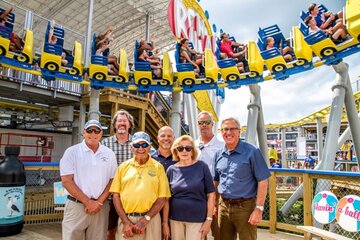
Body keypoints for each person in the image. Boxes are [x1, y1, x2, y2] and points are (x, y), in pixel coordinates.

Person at [214, 117, 270, 240]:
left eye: (232, 129)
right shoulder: (218, 154)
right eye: (225, 129)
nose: (228, 133)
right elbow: (216, 181)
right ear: (221, 132)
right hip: (223, 207)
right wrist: (214, 204)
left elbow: (263, 181)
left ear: (239, 131)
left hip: (245, 208)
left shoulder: (252, 151)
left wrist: (259, 209)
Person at [60, 119, 117, 240]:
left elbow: (113, 180)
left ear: (101, 133)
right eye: (89, 130)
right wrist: (88, 202)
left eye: (97, 131)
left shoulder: (109, 154)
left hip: (101, 207)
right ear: (83, 132)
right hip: (76, 206)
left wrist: (99, 202)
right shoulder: (71, 152)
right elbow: (66, 181)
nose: (93, 134)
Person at [109, 131, 171, 240]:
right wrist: (125, 222)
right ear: (131, 147)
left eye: (144, 145)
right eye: (137, 145)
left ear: (150, 147)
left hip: (151, 220)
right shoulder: (122, 167)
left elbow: (162, 198)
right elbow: (115, 196)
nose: (141, 148)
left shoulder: (158, 167)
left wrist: (146, 219)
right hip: (127, 220)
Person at [162, 135, 215, 240]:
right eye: (180, 148)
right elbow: (166, 199)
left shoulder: (202, 167)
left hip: (197, 219)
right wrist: (165, 222)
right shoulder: (171, 170)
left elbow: (211, 194)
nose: (184, 151)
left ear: (193, 151)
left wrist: (209, 219)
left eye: (188, 148)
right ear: (176, 151)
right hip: (175, 219)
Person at [101, 109, 135, 240]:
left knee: (130, 229)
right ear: (114, 125)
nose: (122, 123)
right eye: (119, 121)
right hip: (110, 195)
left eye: (125, 121)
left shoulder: (137, 144)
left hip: (130, 195)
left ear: (130, 125)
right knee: (110, 230)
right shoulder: (105, 143)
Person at [195, 111, 224, 240]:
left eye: (207, 122)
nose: (204, 125)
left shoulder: (222, 146)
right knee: (199, 231)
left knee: (219, 231)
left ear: (212, 124)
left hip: (216, 192)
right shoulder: (192, 145)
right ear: (197, 125)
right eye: (201, 122)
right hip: (197, 193)